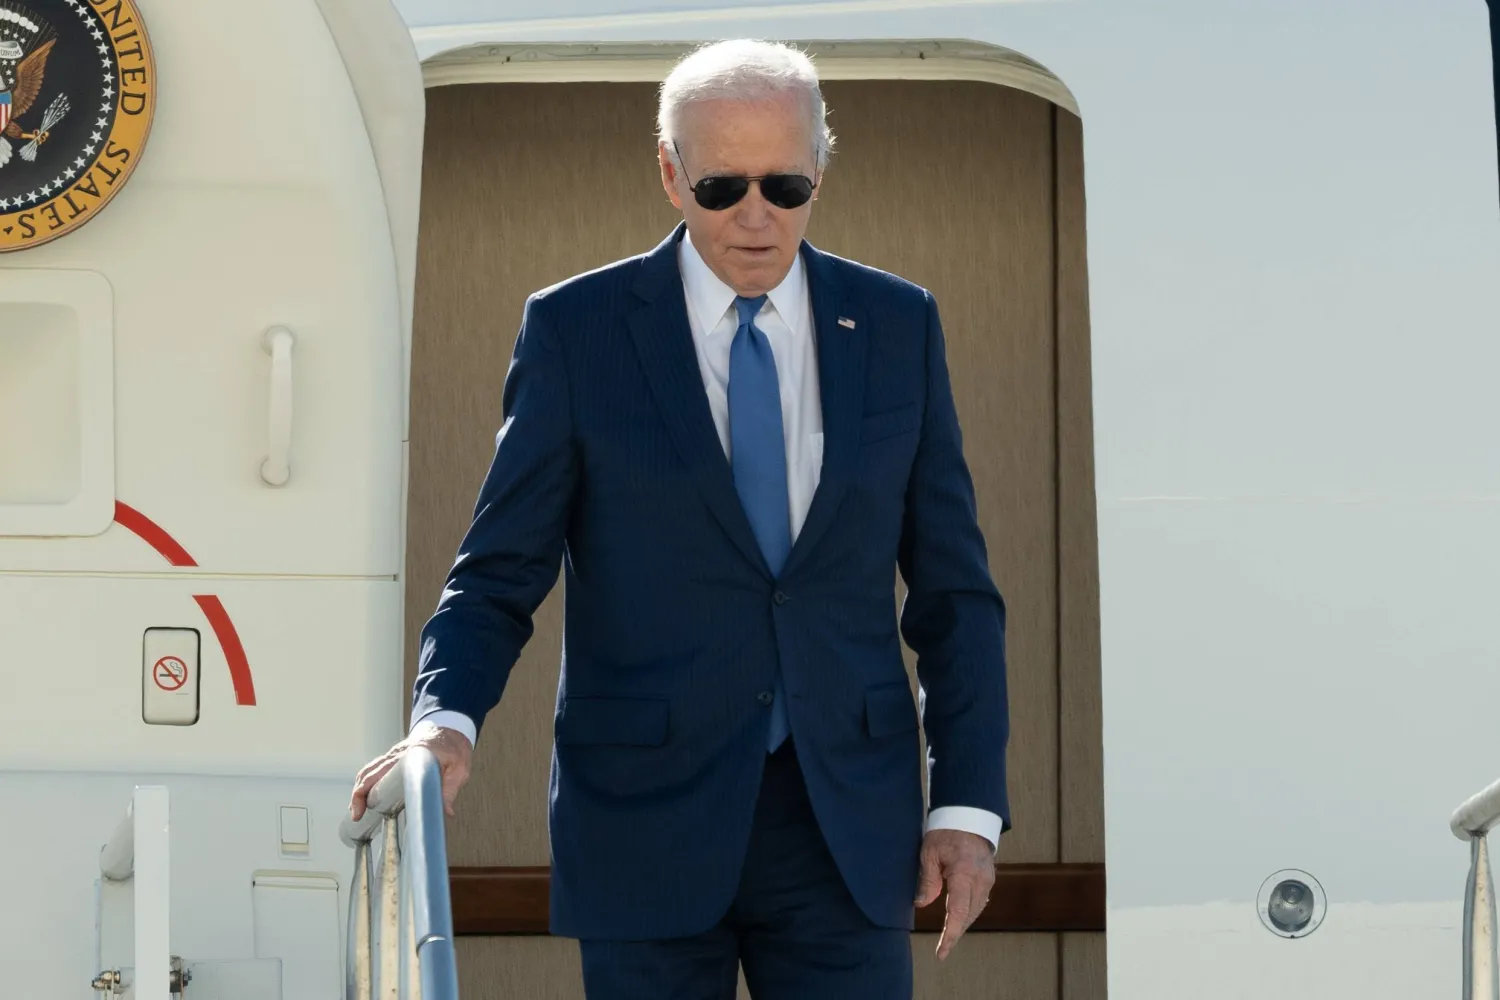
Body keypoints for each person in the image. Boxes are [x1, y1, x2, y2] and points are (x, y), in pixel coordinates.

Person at [350, 38, 1011, 1000]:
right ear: (670, 174)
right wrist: (443, 722)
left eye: (786, 185)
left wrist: (967, 806)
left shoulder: (898, 324)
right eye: (721, 188)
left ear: (821, 169)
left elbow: (954, 594)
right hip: (643, 820)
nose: (756, 216)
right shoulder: (577, 330)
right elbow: (498, 570)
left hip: (846, 823)